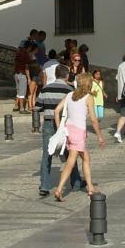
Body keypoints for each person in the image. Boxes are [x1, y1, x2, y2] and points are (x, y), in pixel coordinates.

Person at [52, 73, 106, 201]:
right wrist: (100, 136)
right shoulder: (88, 97)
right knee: (71, 162)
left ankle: (90, 186)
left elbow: (56, 110)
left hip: (69, 130)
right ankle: (59, 189)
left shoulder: (70, 95)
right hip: (78, 132)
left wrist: (60, 127)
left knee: (86, 157)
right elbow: (93, 119)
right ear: (89, 84)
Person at [36, 65, 84, 197]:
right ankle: (76, 182)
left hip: (48, 124)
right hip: (65, 124)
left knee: (47, 154)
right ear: (67, 75)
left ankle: (44, 186)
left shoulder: (45, 89)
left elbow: (37, 106)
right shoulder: (69, 90)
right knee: (70, 153)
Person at [12, 41, 35, 113]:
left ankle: (16, 106)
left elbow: (15, 63)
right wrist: (28, 78)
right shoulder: (26, 54)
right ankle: (22, 108)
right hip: (22, 75)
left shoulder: (18, 52)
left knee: (18, 91)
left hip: (16, 74)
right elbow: (27, 67)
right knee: (22, 92)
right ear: (29, 47)